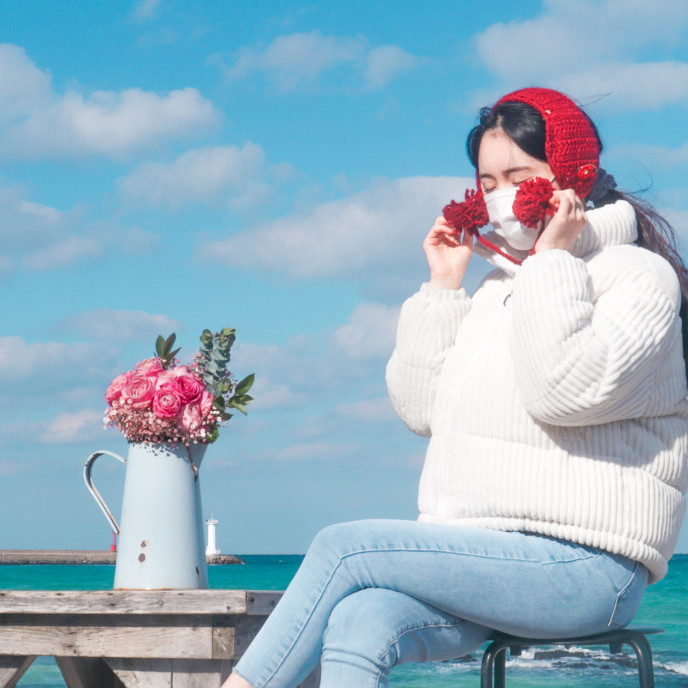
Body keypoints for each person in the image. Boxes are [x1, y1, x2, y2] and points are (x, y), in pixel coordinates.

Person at [222, 87, 688, 688]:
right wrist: (443, 287)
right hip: (481, 555)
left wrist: (552, 259)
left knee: (344, 547)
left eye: (518, 176)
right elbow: (422, 412)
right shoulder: (499, 287)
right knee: (362, 618)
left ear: (573, 177)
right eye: (487, 183)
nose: (500, 197)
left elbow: (564, 391)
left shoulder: (637, 276)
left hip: (586, 567)